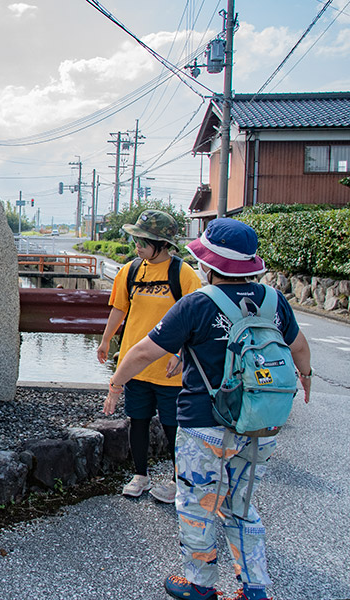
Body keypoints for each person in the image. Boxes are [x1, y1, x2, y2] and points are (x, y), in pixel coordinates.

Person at [106, 218, 312, 600]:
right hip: (259, 424)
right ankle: (254, 587)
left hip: (205, 427)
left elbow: (145, 352)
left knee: (198, 505)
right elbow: (298, 346)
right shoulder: (273, 301)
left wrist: (117, 383)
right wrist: (307, 376)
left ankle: (200, 584)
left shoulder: (198, 304)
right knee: (242, 506)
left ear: (209, 264)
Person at [98, 209, 201, 503]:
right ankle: (140, 474)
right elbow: (119, 308)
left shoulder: (183, 274)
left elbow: (195, 318)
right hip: (134, 365)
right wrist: (106, 340)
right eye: (136, 239)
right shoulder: (129, 270)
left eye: (144, 240)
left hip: (170, 370)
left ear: (163, 243)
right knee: (138, 421)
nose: (137, 246)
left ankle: (177, 479)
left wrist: (180, 353)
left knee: (173, 427)